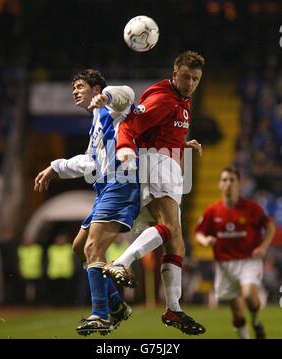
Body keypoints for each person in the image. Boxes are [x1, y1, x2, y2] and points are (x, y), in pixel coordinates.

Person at [103, 50, 206, 335]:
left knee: (177, 244)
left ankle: (173, 308)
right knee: (170, 229)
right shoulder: (163, 98)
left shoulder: (181, 100)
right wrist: (125, 149)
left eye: (195, 79)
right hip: (158, 164)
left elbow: (161, 132)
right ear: (175, 73)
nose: (190, 83)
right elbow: (132, 125)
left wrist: (183, 144)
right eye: (185, 77)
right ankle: (121, 262)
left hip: (168, 162)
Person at [34, 69, 140, 335]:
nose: (74, 91)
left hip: (121, 182)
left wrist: (105, 96)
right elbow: (89, 161)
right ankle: (116, 306)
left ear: (95, 89)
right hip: (104, 187)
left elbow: (127, 95)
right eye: (73, 88)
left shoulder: (113, 108)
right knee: (80, 248)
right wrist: (55, 167)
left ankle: (100, 314)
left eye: (79, 86)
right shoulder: (95, 122)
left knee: (93, 247)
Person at [195, 166, 275, 339]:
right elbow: (199, 233)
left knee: (248, 296)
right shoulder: (212, 211)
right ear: (219, 184)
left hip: (249, 260)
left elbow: (270, 226)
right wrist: (205, 241)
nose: (228, 184)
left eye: (232, 180)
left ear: (239, 183)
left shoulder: (252, 208)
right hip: (224, 265)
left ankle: (255, 320)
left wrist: (263, 247)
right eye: (225, 180)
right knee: (238, 314)